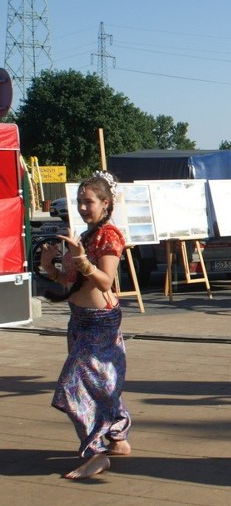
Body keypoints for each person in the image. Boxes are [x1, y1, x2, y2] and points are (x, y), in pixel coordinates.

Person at [39, 171, 131, 479]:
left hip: (100, 323)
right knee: (101, 384)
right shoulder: (86, 235)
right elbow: (72, 282)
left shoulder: (110, 235)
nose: (81, 207)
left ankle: (94, 452)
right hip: (79, 320)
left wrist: (80, 259)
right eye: (79, 201)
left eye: (88, 202)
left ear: (105, 203)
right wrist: (49, 267)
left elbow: (105, 280)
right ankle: (117, 435)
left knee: (73, 385)